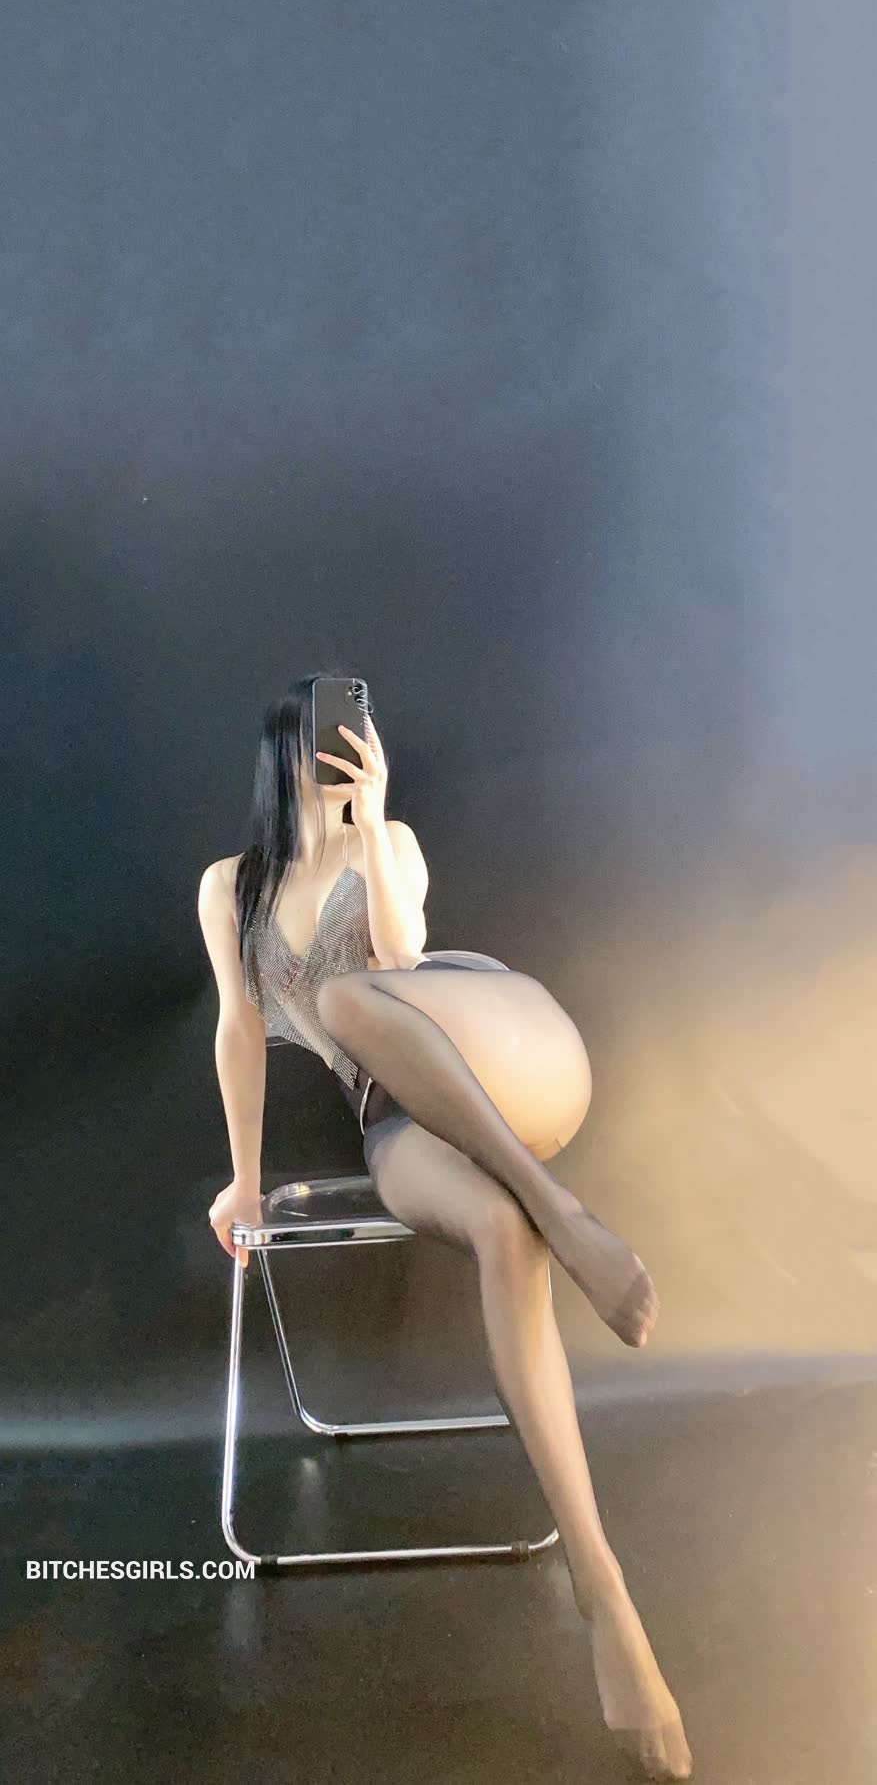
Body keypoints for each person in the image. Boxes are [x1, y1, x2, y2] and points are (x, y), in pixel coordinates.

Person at [197, 671, 692, 1781]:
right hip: (399, 1117)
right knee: (501, 1235)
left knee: (352, 997)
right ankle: (605, 1588)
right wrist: (245, 1181)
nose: (341, 750)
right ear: (283, 750)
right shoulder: (230, 887)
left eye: (355, 735)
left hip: (503, 1040)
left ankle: (564, 1213)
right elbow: (238, 1030)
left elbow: (402, 959)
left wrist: (373, 826)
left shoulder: (395, 841)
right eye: (322, 740)